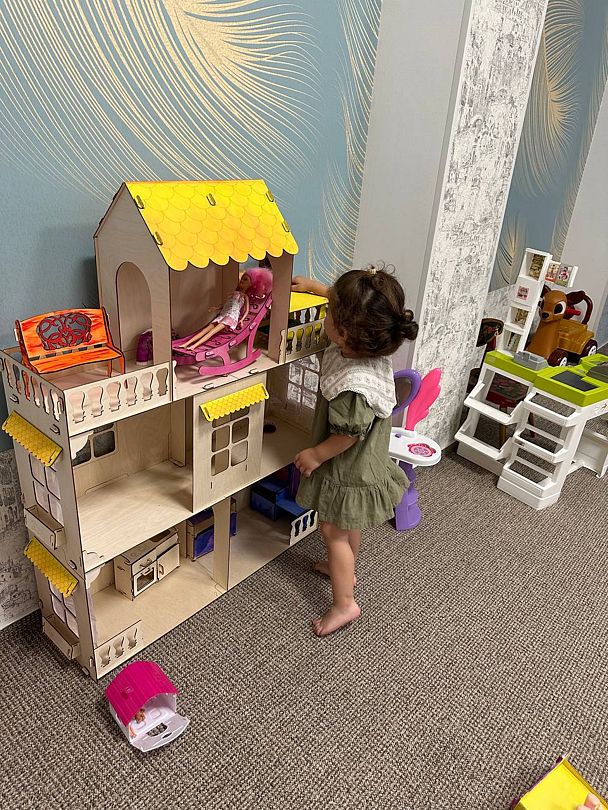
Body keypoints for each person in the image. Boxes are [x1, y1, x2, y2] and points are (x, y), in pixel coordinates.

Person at [293, 264, 419, 636]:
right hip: (366, 461)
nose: (327, 312)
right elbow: (341, 300)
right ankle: (345, 570)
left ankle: (344, 603)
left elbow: (348, 435)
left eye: (330, 312)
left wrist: (316, 455)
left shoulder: (353, 386)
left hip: (348, 463)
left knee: (332, 529)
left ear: (343, 331)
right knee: (349, 523)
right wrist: (316, 287)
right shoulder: (368, 341)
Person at [181, 262, 272, 350]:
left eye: (245, 280)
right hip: (223, 315)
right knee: (206, 329)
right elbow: (228, 304)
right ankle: (186, 344)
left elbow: (246, 310)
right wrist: (217, 308)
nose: (241, 281)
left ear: (252, 284)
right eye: (242, 279)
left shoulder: (244, 297)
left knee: (212, 332)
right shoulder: (235, 293)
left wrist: (241, 320)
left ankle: (193, 346)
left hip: (230, 318)